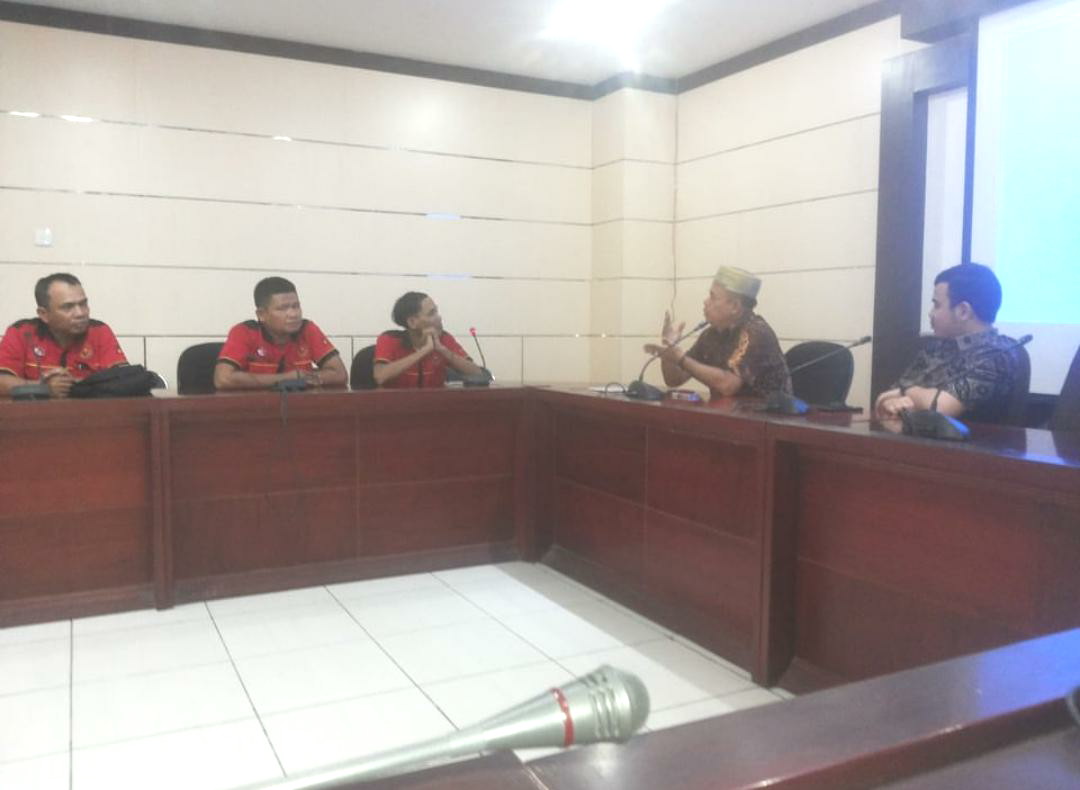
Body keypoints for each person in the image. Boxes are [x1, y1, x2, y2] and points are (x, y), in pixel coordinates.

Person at [874, 263, 1020, 422]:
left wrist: (906, 393)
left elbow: (938, 408)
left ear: (963, 311)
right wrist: (894, 401)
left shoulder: (997, 355)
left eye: (937, 305)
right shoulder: (936, 347)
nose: (931, 313)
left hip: (968, 438)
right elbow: (885, 398)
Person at [644, 266, 790, 398]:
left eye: (713, 297)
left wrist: (681, 359)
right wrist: (669, 348)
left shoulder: (756, 332)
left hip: (769, 416)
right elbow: (674, 379)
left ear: (734, 306)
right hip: (728, 414)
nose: (705, 301)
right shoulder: (711, 334)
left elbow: (728, 385)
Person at [0, 273, 128, 398]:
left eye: (83, 304)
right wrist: (42, 388)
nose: (80, 313)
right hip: (34, 411)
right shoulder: (22, 332)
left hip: (90, 411)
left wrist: (75, 385)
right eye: (68, 307)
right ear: (44, 314)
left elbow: (125, 379)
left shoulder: (99, 331)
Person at [214, 276, 347, 390]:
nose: (293, 314)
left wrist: (303, 379)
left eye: (296, 306)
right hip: (253, 406)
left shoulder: (307, 329)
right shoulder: (245, 332)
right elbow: (223, 379)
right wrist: (287, 379)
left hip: (300, 406)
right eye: (283, 308)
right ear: (261, 314)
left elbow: (340, 374)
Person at [373, 292, 485, 388]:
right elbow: (380, 376)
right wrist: (424, 351)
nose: (439, 317)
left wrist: (442, 349)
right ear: (412, 322)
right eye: (432, 313)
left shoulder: (444, 339)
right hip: (396, 404)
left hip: (435, 404)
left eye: (437, 311)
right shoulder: (390, 339)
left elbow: (476, 372)